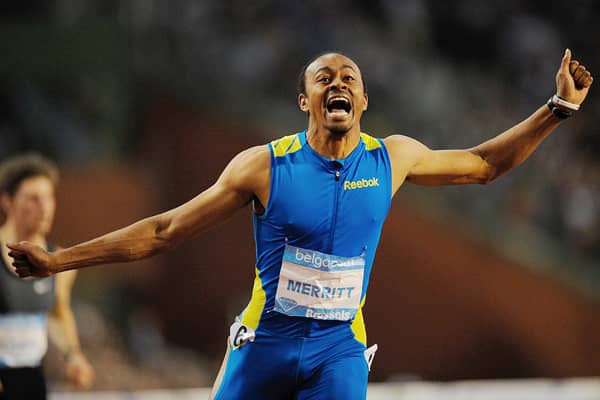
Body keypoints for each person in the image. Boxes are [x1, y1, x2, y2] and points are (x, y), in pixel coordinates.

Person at [6, 49, 593, 399]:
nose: (338, 82)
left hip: (339, 348)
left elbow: (486, 165)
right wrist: (58, 261)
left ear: (363, 102)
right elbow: (164, 231)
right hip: (266, 342)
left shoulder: (392, 158)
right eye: (324, 77)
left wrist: (558, 109)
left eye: (349, 78)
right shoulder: (264, 167)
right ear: (304, 100)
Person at [0, 154, 94, 399]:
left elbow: (58, 312)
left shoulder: (59, 261)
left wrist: (73, 356)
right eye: (33, 198)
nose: (44, 207)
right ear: (7, 201)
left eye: (49, 197)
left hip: (31, 381)